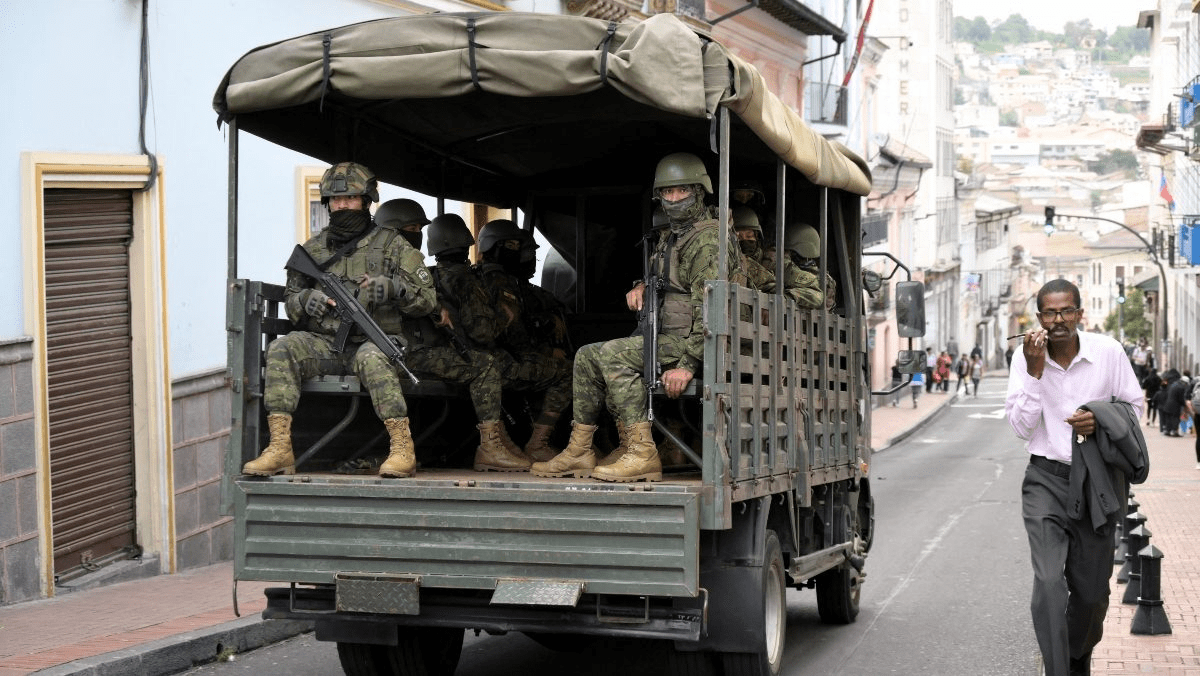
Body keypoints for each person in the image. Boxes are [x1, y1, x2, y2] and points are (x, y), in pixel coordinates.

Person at [532, 151, 738, 482]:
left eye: (681, 191)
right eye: (667, 193)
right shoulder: (673, 237)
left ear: (699, 191)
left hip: (691, 342)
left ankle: (641, 452)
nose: (673, 199)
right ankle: (580, 451)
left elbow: (712, 308)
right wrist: (641, 285)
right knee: (586, 356)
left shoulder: (708, 239)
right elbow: (672, 281)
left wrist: (688, 363)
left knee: (614, 355)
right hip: (665, 336)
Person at [242, 162, 438, 478]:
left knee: (375, 358)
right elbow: (292, 302)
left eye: (349, 198)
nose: (341, 205)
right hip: (325, 345)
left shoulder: (393, 245)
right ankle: (280, 448)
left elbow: (427, 300)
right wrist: (307, 300)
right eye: (335, 200)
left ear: (366, 200)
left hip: (373, 342)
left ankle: (402, 449)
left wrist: (392, 288)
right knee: (282, 348)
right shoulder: (314, 248)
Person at [1004, 279, 1144, 676]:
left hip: (1097, 482)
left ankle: (1077, 656)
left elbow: (1134, 406)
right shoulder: (1024, 358)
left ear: (1080, 314)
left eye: (1067, 311)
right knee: (1048, 584)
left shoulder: (1108, 352)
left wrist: (1099, 419)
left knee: (1091, 595)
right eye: (1050, 312)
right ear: (1039, 318)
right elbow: (1020, 428)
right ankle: (1058, 669)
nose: (1059, 320)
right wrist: (1033, 373)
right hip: (1045, 480)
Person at [407, 213, 533, 472]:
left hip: (425, 353)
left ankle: (499, 441)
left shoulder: (425, 276)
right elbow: (483, 333)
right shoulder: (465, 279)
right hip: (439, 356)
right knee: (489, 364)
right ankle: (496, 446)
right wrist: (504, 319)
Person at [474, 218, 574, 462]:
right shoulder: (499, 282)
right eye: (511, 245)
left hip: (490, 361)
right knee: (570, 372)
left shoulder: (482, 277)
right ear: (494, 247)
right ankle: (538, 443)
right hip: (498, 363)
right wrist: (547, 352)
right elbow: (512, 335)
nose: (518, 253)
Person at [1158, 368, 1187, 437]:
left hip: (1167, 403)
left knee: (1168, 418)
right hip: (1175, 405)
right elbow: (1181, 398)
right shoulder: (1180, 386)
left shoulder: (1169, 382)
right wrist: (1184, 404)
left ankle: (1167, 430)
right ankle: (1174, 431)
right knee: (1175, 418)